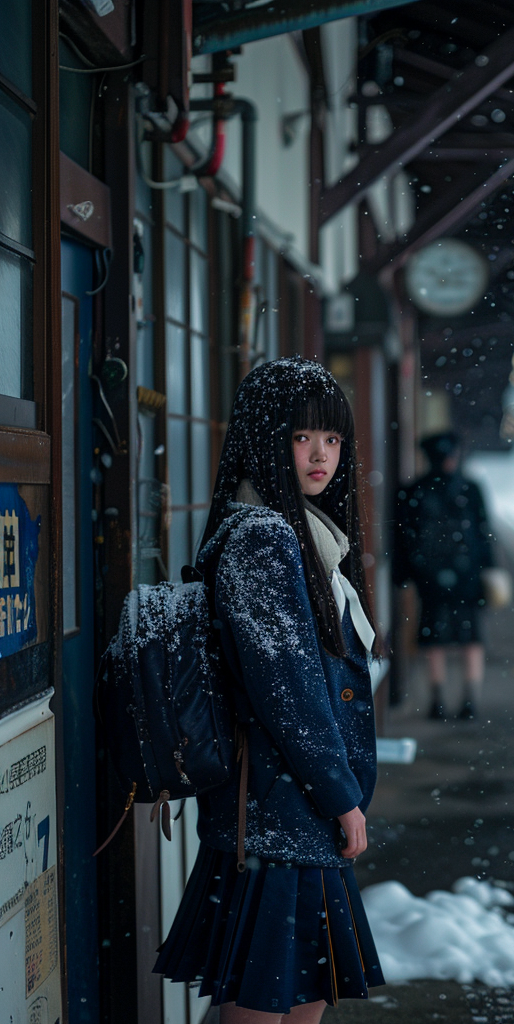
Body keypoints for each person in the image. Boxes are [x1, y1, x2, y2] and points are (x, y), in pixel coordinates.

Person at [154, 357, 385, 1023]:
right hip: (281, 814)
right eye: (302, 437)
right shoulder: (262, 539)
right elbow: (289, 694)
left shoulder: (301, 535)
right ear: (265, 440)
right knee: (269, 1006)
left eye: (334, 440)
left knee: (301, 997)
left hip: (289, 813)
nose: (321, 456)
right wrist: (343, 800)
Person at [393, 430, 495, 721]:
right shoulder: (471, 489)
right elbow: (484, 533)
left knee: (434, 636)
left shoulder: (413, 491)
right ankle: (468, 701)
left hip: (430, 575)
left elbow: (403, 538)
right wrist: (490, 569)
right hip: (467, 574)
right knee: (470, 638)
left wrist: (402, 574)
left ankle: (439, 702)